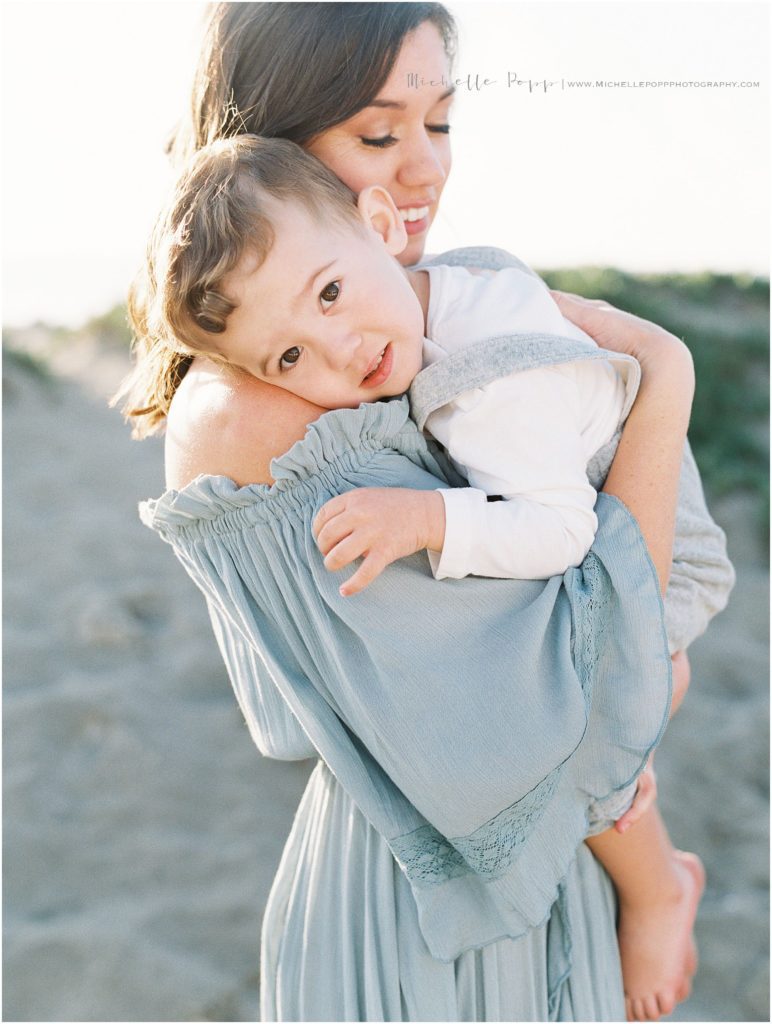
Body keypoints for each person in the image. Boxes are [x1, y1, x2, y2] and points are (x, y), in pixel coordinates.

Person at [117, 4, 734, 1020]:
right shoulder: (264, 406)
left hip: (513, 859)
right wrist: (664, 378)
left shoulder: (401, 327)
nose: (424, 170)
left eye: (438, 122)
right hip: (442, 904)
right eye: (376, 133)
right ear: (273, 138)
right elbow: (572, 693)